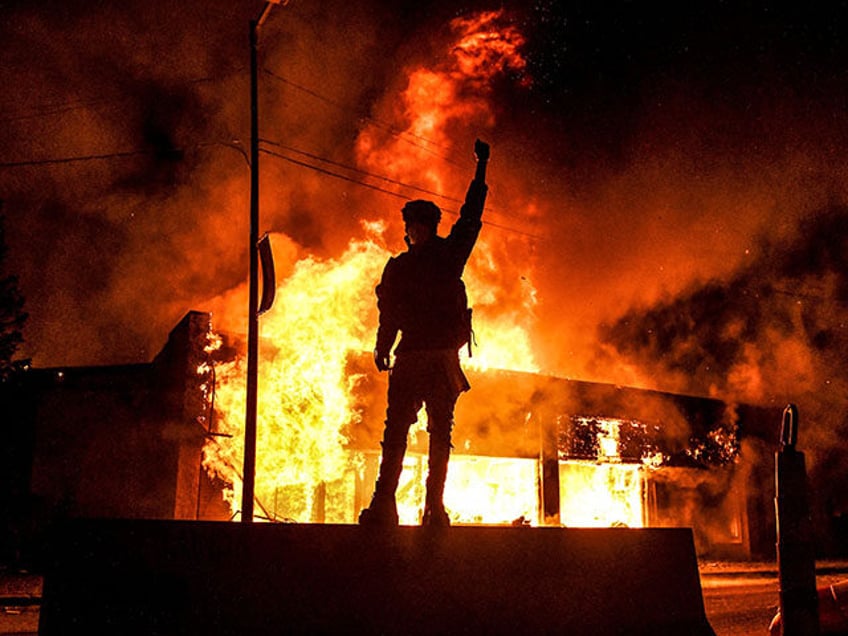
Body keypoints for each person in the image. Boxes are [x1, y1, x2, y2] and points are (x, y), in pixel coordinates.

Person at [359, 139, 489, 527]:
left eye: (411, 226)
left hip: (412, 357)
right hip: (441, 359)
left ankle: (385, 505)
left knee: (396, 432)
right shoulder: (450, 256)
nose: (410, 231)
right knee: (438, 436)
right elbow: (471, 216)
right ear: (432, 226)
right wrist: (482, 166)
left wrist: (383, 348)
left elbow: (389, 315)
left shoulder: (398, 267)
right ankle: (433, 508)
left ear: (413, 229)